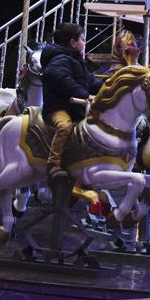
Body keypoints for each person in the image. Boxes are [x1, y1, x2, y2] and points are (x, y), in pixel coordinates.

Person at [40, 22, 94, 185]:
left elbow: (90, 81)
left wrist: (109, 86)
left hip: (74, 108)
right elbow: (64, 81)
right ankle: (53, 163)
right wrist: (86, 95)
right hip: (58, 107)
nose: (84, 42)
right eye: (82, 39)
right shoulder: (59, 59)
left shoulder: (76, 60)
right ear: (72, 43)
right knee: (65, 127)